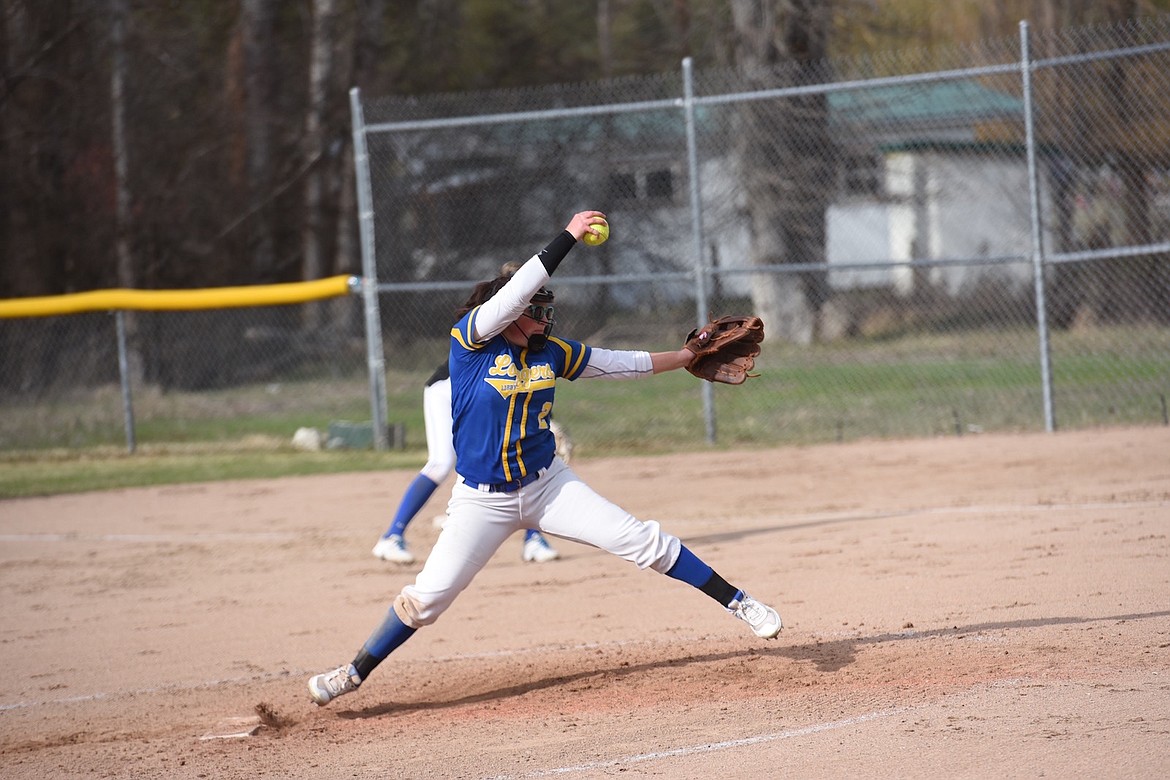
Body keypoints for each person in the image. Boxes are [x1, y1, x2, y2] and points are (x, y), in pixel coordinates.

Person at [308, 210, 782, 706]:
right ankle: (354, 673)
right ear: (509, 312)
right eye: (536, 310)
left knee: (643, 541)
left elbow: (623, 365)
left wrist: (684, 358)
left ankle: (739, 602)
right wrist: (569, 237)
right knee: (426, 600)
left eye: (546, 312)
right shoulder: (470, 343)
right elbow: (515, 292)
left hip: (547, 486)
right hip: (480, 502)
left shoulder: (550, 354)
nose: (544, 318)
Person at [370, 357, 561, 565]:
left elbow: (533, 383)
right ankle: (392, 537)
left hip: (490, 391)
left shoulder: (538, 340)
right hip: (450, 388)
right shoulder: (499, 327)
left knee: (518, 454)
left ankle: (532, 538)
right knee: (441, 463)